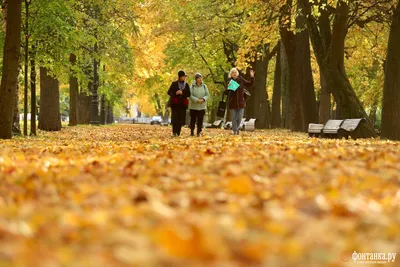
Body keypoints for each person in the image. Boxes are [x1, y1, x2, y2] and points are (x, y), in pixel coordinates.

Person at [224, 68, 255, 135]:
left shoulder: (241, 80)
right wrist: (227, 87)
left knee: (239, 118)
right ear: (231, 74)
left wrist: (252, 77)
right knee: (234, 118)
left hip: (241, 102)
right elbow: (225, 93)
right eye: (232, 72)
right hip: (233, 103)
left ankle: (237, 128)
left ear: (237, 73)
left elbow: (250, 84)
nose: (234, 73)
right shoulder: (229, 81)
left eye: (235, 72)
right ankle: (235, 131)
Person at [168, 70, 191, 136]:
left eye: (185, 76)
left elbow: (189, 94)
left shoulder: (186, 85)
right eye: (183, 76)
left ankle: (178, 132)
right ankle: (174, 132)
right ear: (180, 77)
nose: (184, 78)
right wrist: (175, 93)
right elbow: (169, 92)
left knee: (181, 119)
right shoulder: (174, 84)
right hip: (175, 104)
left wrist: (182, 93)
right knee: (175, 119)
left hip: (182, 105)